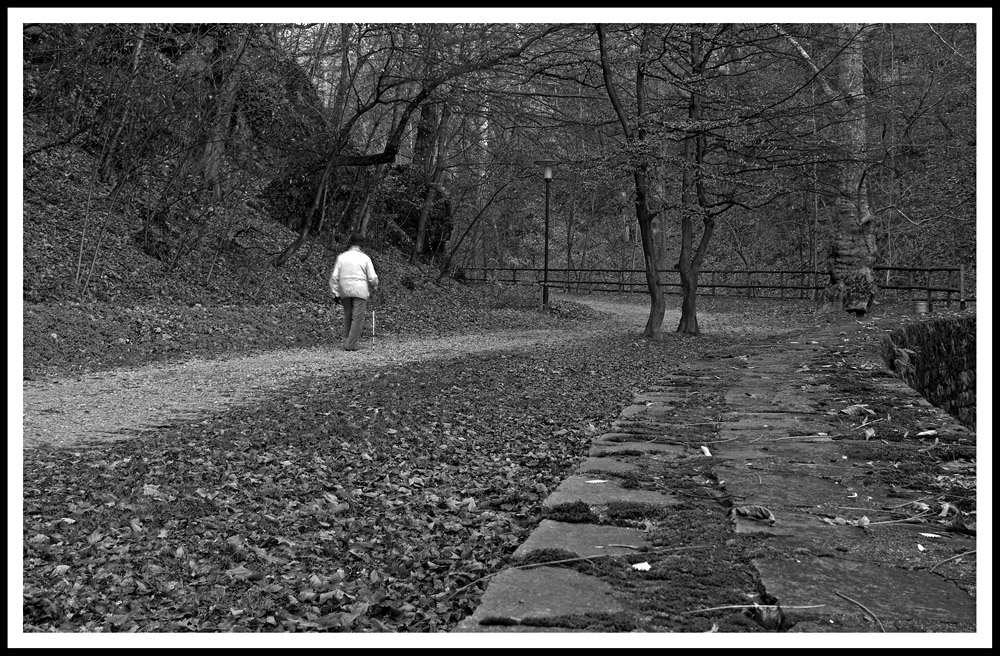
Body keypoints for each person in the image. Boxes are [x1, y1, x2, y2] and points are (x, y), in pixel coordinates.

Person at [329, 234, 379, 351]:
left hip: (344, 289)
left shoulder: (341, 257)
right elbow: (372, 277)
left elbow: (334, 276)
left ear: (350, 243)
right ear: (361, 245)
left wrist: (335, 292)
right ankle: (350, 344)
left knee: (348, 315)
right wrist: (375, 286)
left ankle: (347, 340)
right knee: (357, 318)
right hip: (360, 290)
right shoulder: (365, 258)